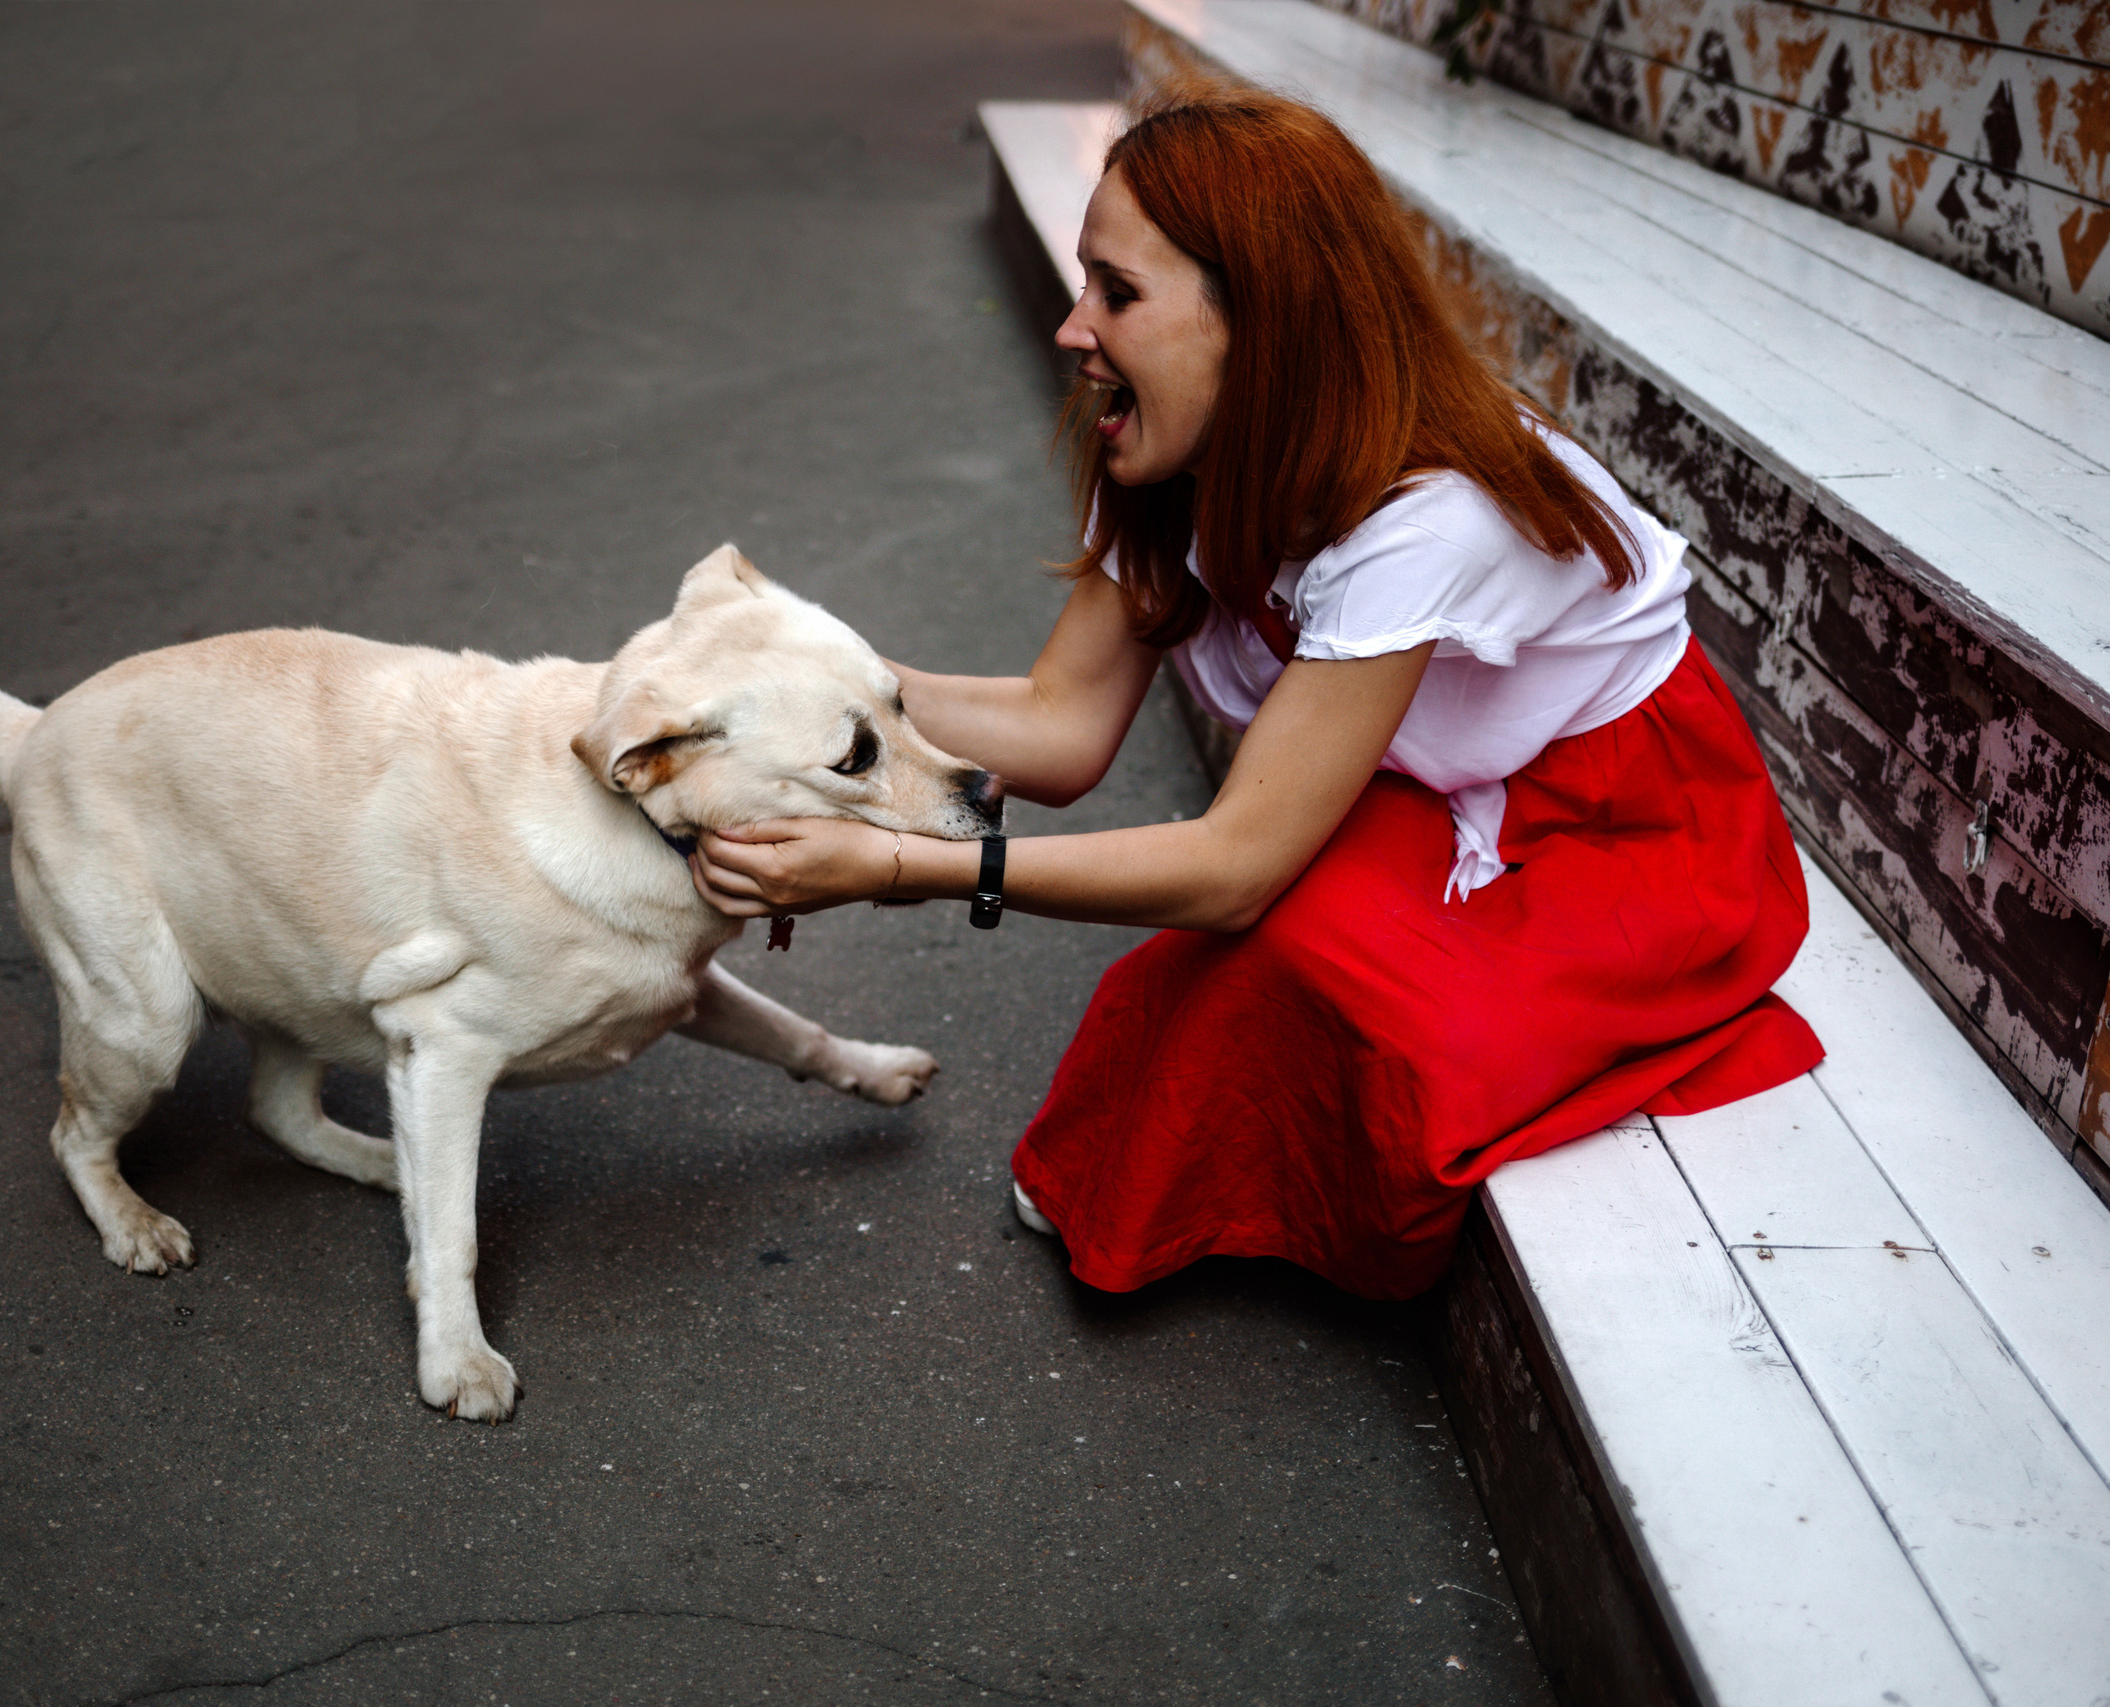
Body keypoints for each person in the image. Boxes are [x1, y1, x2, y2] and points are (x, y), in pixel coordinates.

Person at [689, 84, 1820, 1301]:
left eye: (1116, 295)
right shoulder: (1167, 449)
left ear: (1260, 325)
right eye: (1084, 286)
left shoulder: (1429, 516)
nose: (1075, 330)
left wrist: (902, 864)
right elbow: (1060, 730)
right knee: (1214, 982)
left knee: (1332, 988)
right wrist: (796, 673)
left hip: (1622, 829)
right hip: (1432, 787)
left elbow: (1231, 866)